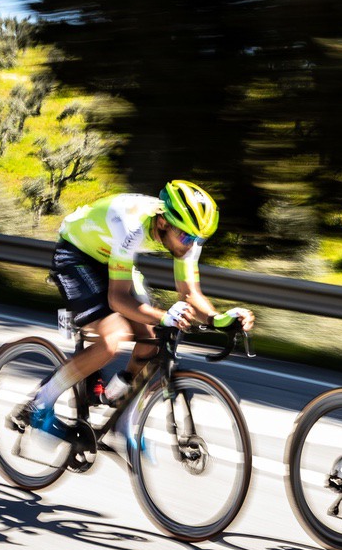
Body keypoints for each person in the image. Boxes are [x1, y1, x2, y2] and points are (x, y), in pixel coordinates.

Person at [14, 180, 255, 441]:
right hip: (77, 254)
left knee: (151, 340)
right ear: (163, 223)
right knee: (112, 339)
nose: (191, 245)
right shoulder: (131, 226)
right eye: (187, 237)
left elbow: (190, 294)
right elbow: (117, 299)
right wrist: (165, 316)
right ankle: (40, 402)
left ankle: (119, 410)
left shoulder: (186, 234)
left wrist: (220, 319)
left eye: (200, 239)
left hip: (113, 256)